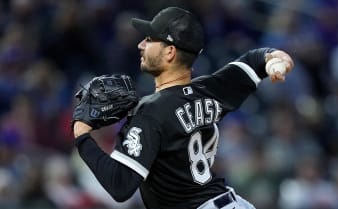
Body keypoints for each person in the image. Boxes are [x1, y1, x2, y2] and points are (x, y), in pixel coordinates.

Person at [73, 6, 294, 209]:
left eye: (150, 39)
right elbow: (254, 59)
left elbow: (120, 186)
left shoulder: (150, 111)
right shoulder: (210, 89)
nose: (141, 44)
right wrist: (276, 59)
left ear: (169, 52)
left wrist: (82, 135)